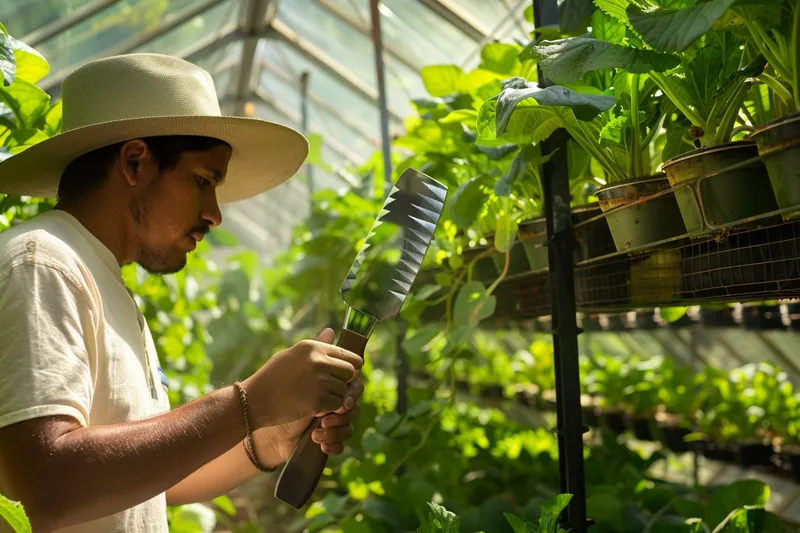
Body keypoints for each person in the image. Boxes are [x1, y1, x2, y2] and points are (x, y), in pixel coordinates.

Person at [0, 53, 364, 533]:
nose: (214, 214)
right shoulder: (43, 263)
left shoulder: (105, 284)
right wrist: (248, 402)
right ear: (134, 162)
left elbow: (146, 484)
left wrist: (267, 436)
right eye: (203, 181)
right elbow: (49, 486)